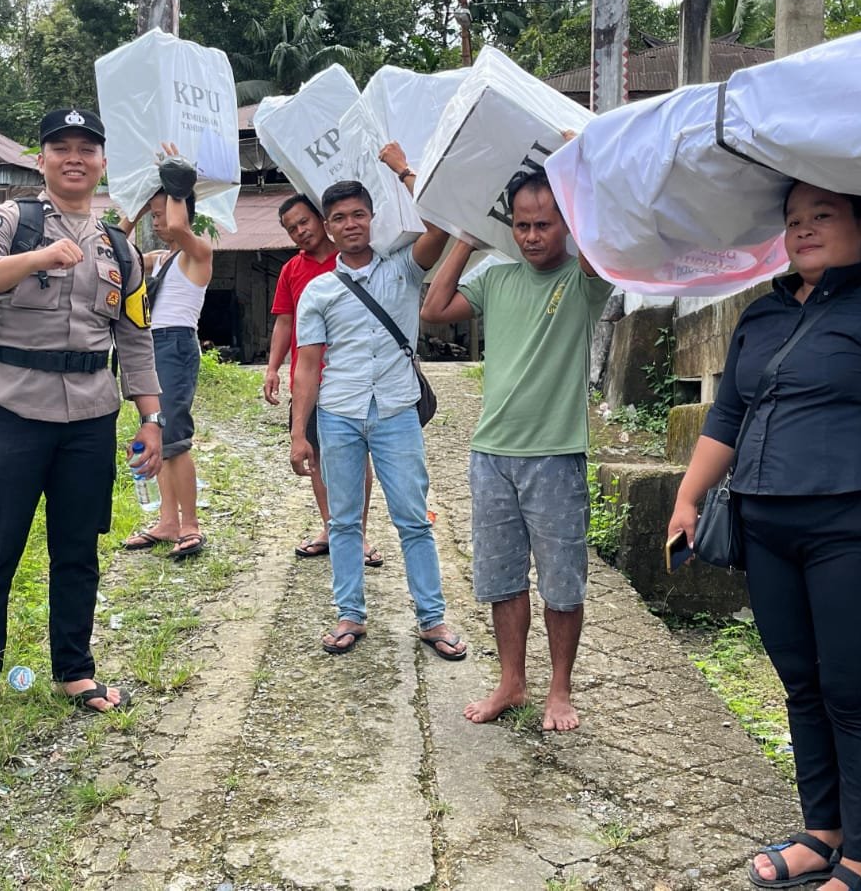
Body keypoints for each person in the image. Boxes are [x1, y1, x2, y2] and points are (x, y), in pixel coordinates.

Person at [666, 181, 861, 891]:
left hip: (857, 529)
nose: (803, 230)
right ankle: (822, 830)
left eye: (821, 215)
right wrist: (687, 495)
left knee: (855, 691)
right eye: (793, 220)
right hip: (767, 529)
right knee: (803, 685)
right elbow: (727, 416)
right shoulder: (760, 316)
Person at [0, 108, 163, 721]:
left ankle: (75, 671)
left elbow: (136, 338)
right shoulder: (8, 221)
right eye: (61, 147)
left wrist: (152, 419)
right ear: (40, 159)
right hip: (11, 408)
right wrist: (39, 258)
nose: (74, 158)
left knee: (78, 549)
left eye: (87, 149)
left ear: (102, 164)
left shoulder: (121, 248)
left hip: (90, 417)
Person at [419, 168, 612, 732]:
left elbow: (600, 247)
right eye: (522, 225)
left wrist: (579, 178)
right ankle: (511, 682)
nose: (532, 236)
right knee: (502, 578)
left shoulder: (583, 281)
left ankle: (559, 690)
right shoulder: (495, 277)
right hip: (491, 454)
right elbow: (433, 307)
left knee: (561, 582)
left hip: (555, 455)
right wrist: (468, 235)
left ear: (567, 225)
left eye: (545, 224)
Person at [290, 151, 467, 659]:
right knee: (344, 521)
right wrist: (299, 433)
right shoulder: (318, 292)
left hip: (395, 412)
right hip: (339, 413)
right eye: (340, 218)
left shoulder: (404, 270)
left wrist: (403, 170)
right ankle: (350, 615)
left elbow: (441, 222)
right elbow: (306, 366)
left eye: (359, 215)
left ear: (373, 219)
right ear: (328, 226)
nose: (350, 225)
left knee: (412, 517)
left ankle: (432, 620)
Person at [262, 193, 381, 568]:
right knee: (315, 454)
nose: (300, 231)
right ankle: (332, 528)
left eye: (304, 222)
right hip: (308, 377)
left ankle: (357, 534)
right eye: (291, 228)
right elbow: (284, 320)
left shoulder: (351, 258)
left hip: (353, 375)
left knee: (356, 457)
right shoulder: (291, 271)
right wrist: (272, 367)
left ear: (321, 219)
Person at [122, 150, 211, 561]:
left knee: (175, 438)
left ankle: (189, 524)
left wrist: (175, 180)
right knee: (155, 434)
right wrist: (135, 209)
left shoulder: (198, 253)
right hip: (148, 346)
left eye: (160, 214)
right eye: (153, 216)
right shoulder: (157, 260)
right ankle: (167, 521)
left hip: (175, 344)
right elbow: (114, 250)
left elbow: (178, 223)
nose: (159, 223)